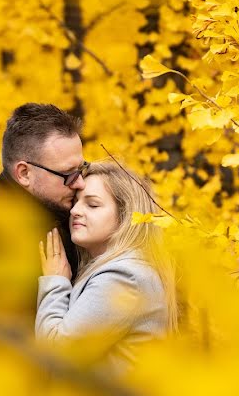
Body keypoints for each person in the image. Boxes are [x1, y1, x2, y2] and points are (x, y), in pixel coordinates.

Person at [36, 161, 177, 377]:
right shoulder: (129, 269)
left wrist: (55, 282)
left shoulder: (125, 278)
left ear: (125, 217)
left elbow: (55, 356)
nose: (75, 211)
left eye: (92, 205)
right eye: (75, 202)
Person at [0, 103, 88, 331]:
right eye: (68, 174)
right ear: (24, 173)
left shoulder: (70, 213)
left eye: (82, 169)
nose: (80, 182)